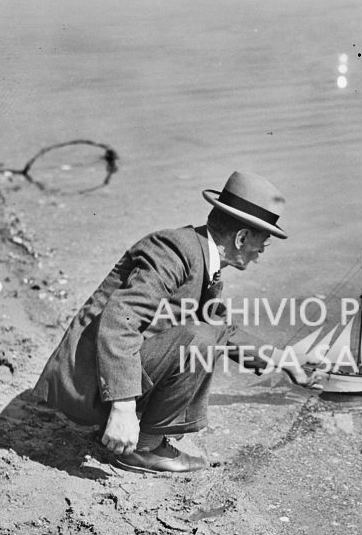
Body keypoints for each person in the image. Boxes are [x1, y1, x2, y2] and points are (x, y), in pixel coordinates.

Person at [32, 170, 311, 473]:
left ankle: (143, 435)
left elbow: (223, 329)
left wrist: (284, 360)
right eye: (263, 243)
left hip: (104, 380)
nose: (260, 253)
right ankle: (145, 449)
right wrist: (123, 407)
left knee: (209, 330)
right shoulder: (174, 251)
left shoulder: (201, 259)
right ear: (242, 237)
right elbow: (118, 321)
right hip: (88, 389)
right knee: (201, 336)